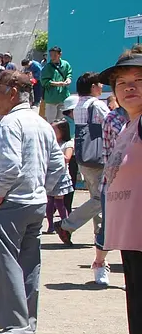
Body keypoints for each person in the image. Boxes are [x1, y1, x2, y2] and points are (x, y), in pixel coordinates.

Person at [0, 70, 64, 334]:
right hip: (36, 202)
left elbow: (10, 165)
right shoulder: (41, 123)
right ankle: (27, 320)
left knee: (3, 262)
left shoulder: (9, 123)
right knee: (29, 261)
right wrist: (44, 190)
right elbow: (57, 165)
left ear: (12, 92)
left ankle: (13, 323)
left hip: (10, 203)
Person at [99, 46, 142, 334]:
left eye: (139, 81)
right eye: (123, 82)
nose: (129, 88)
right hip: (133, 241)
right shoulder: (131, 123)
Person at [57, 73, 111, 287]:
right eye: (99, 84)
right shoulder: (95, 105)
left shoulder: (78, 104)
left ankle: (99, 234)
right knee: (100, 199)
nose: (101, 87)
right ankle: (67, 225)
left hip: (84, 158)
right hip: (98, 158)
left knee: (96, 198)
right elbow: (112, 124)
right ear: (92, 87)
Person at [46, 119, 75, 233]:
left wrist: (55, 152)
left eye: (54, 130)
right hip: (50, 174)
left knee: (59, 202)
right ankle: (50, 226)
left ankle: (65, 225)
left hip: (61, 176)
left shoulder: (68, 144)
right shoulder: (49, 143)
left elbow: (67, 159)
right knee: (49, 201)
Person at [42, 46, 73, 123]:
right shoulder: (47, 67)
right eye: (51, 55)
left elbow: (69, 74)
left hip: (63, 97)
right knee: (51, 121)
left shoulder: (66, 64)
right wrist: (56, 84)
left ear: (60, 54)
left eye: (54, 55)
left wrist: (68, 79)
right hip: (51, 98)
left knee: (61, 121)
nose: (52, 57)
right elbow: (44, 82)